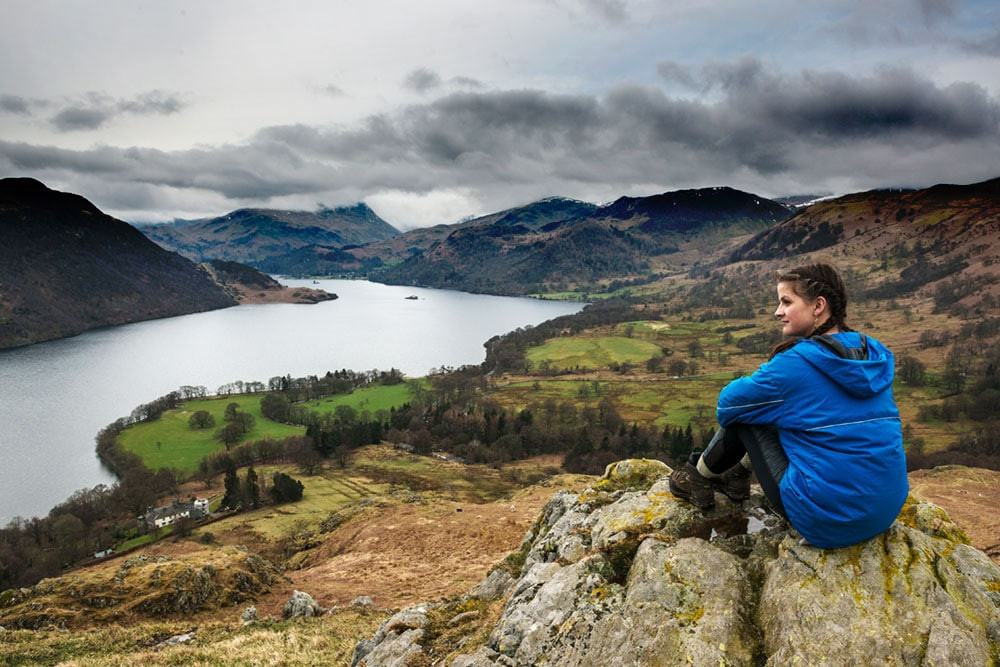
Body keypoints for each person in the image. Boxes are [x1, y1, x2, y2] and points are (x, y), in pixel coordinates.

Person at [669, 263, 908, 549]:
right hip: (884, 511)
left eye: (786, 302)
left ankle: (697, 478)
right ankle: (735, 476)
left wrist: (768, 375)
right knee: (781, 411)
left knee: (750, 411)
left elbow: (728, 406)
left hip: (828, 522)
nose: (777, 311)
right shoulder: (872, 354)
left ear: (819, 305)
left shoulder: (795, 364)